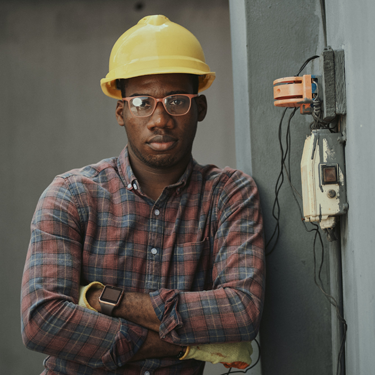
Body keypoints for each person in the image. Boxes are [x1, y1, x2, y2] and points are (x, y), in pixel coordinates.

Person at [21, 15, 265, 375]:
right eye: (141, 103)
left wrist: (109, 301)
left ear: (200, 108)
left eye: (177, 101)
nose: (160, 119)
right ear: (121, 112)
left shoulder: (228, 195)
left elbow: (241, 311)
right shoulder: (71, 195)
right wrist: (185, 346)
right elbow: (42, 321)